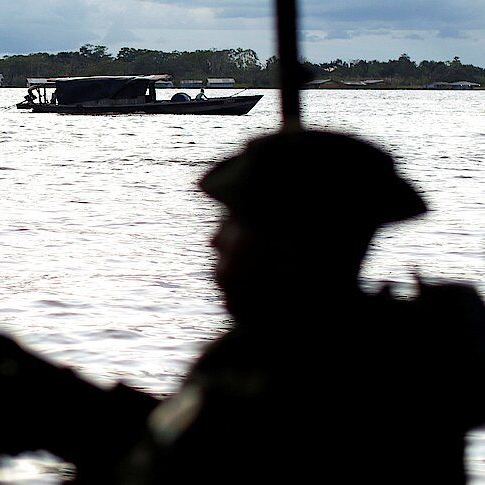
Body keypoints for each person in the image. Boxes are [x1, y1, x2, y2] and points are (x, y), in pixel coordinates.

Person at [116, 130, 485, 483]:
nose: (215, 241)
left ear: (290, 244)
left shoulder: (337, 377)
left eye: (234, 222)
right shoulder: (266, 351)